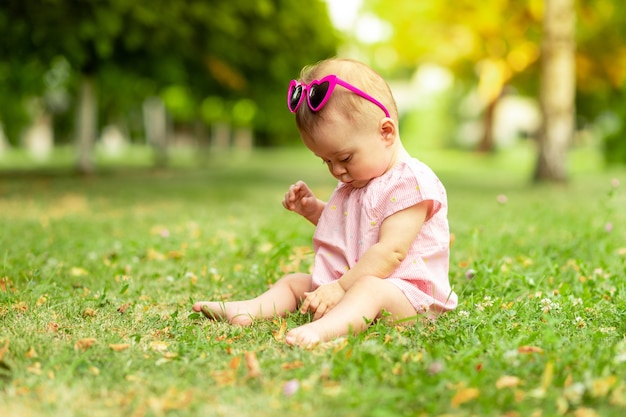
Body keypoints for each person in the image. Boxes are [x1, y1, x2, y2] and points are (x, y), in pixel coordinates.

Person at [192, 58, 457, 347]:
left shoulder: (409, 182)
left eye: (344, 158)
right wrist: (314, 210)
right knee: (295, 282)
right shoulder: (357, 180)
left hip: (407, 296)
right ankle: (248, 310)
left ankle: (323, 331)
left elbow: (390, 251)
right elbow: (352, 228)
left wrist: (341, 287)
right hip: (352, 284)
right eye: (326, 161)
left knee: (369, 289)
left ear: (386, 132)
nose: (336, 170)